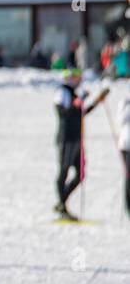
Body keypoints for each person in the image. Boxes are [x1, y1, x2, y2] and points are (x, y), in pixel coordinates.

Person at [52, 70, 108, 220]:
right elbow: (63, 113)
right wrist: (76, 103)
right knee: (64, 171)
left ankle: (62, 201)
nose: (79, 80)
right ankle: (62, 206)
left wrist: (97, 101)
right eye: (76, 77)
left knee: (80, 172)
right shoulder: (62, 92)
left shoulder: (75, 93)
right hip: (66, 138)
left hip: (77, 139)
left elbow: (81, 112)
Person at [118, 85, 130, 215]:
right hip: (126, 144)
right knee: (128, 176)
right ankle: (128, 206)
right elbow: (121, 120)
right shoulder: (125, 102)